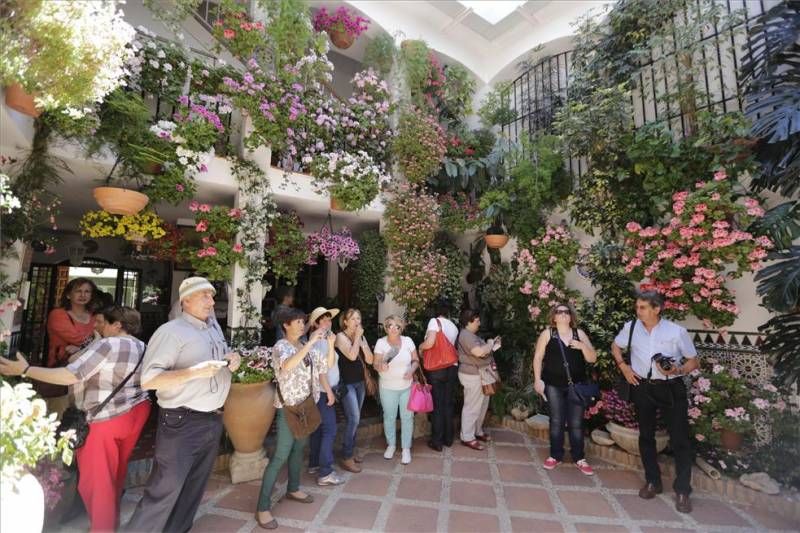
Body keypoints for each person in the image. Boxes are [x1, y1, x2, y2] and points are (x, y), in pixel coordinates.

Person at [0, 306, 151, 532]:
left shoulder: (108, 344)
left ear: (117, 325)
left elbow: (71, 374)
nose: (95, 327)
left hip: (105, 417)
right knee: (116, 470)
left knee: (96, 480)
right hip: (136, 410)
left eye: (102, 323)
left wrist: (27, 369)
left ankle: (103, 528)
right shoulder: (142, 346)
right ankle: (111, 518)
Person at [124, 277, 241, 532]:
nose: (211, 301)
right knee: (164, 491)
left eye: (212, 295)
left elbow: (220, 359)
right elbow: (149, 380)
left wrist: (233, 359)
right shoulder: (170, 332)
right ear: (185, 300)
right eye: (204, 296)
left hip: (212, 418)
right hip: (182, 421)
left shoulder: (213, 328)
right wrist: (193, 373)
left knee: (193, 488)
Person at [611, 290, 699, 514]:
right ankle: (653, 482)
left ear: (656, 309)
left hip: (671, 388)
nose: (637, 311)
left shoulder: (676, 331)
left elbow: (693, 361)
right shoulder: (631, 327)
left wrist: (677, 370)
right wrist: (624, 366)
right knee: (646, 436)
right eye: (637, 307)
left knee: (680, 439)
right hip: (643, 387)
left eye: (642, 307)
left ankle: (682, 490)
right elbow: (616, 345)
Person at [256, 308, 330, 530]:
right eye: (297, 322)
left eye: (302, 321)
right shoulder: (281, 346)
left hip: (306, 406)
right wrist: (309, 344)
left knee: (300, 448)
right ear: (285, 325)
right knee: (280, 455)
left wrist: (331, 343)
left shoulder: (303, 345)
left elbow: (325, 366)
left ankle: (293, 488)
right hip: (289, 408)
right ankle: (262, 507)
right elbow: (287, 366)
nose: (301, 325)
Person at [532, 302, 597, 476]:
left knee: (576, 423)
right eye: (559, 312)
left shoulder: (579, 334)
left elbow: (592, 359)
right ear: (553, 316)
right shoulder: (548, 334)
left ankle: (579, 457)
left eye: (566, 312)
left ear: (571, 316)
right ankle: (555, 455)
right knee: (556, 421)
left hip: (576, 386)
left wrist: (583, 346)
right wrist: (537, 380)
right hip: (552, 385)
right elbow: (538, 357)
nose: (562, 314)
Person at [306, 306, 344, 486]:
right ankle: (325, 472)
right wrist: (329, 391)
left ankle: (314, 463)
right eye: (324, 320)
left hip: (320, 391)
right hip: (323, 391)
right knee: (329, 430)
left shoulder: (319, 339)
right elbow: (323, 370)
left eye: (329, 319)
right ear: (315, 323)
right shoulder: (321, 341)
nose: (328, 322)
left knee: (318, 430)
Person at [374, 315, 419, 465]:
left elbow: (415, 360)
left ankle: (406, 448)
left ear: (401, 328)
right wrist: (381, 365)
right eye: (390, 325)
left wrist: (412, 370)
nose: (393, 328)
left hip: (406, 386)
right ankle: (391, 445)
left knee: (407, 417)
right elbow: (375, 363)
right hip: (387, 386)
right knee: (389, 417)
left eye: (397, 326)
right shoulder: (381, 343)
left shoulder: (408, 341)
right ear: (386, 328)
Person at [335, 308, 374, 473]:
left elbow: (370, 360)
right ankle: (347, 456)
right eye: (353, 319)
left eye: (358, 318)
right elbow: (351, 356)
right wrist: (357, 337)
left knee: (355, 420)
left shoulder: (361, 336)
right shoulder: (340, 337)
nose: (357, 321)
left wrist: (363, 343)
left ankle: (349, 450)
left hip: (359, 383)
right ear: (345, 321)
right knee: (354, 418)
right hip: (347, 384)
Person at [417, 301, 459, 452]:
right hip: (452, 367)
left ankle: (437, 441)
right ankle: (448, 439)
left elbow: (430, 343)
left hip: (437, 368)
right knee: (448, 403)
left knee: (437, 404)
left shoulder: (434, 322)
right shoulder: (453, 327)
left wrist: (420, 347)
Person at [456, 309, 499, 451]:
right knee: (472, 407)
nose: (479, 323)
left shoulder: (471, 335)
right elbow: (479, 352)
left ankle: (477, 431)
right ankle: (467, 436)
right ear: (469, 321)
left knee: (481, 405)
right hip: (472, 375)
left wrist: (490, 345)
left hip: (480, 374)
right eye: (477, 320)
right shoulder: (466, 335)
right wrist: (491, 344)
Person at [46, 277, 98, 368]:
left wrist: (79, 349)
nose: (83, 295)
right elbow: (79, 339)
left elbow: (105, 338)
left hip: (89, 367)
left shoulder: (94, 316)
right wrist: (94, 343)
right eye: (78, 291)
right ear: (68, 295)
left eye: (87, 292)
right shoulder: (58, 314)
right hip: (62, 367)